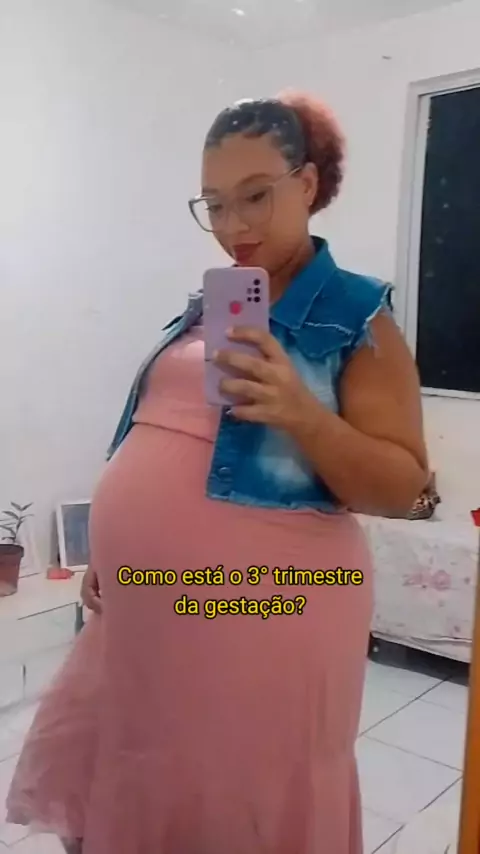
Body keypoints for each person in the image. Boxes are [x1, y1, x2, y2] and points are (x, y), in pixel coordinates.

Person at [6, 91, 428, 854]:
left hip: (268, 606)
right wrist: (112, 551)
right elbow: (159, 432)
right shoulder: (217, 304)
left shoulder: (359, 317)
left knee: (235, 793)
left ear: (308, 183)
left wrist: (301, 413)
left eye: (256, 196)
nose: (234, 225)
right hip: (145, 602)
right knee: (134, 762)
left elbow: (405, 489)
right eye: (215, 204)